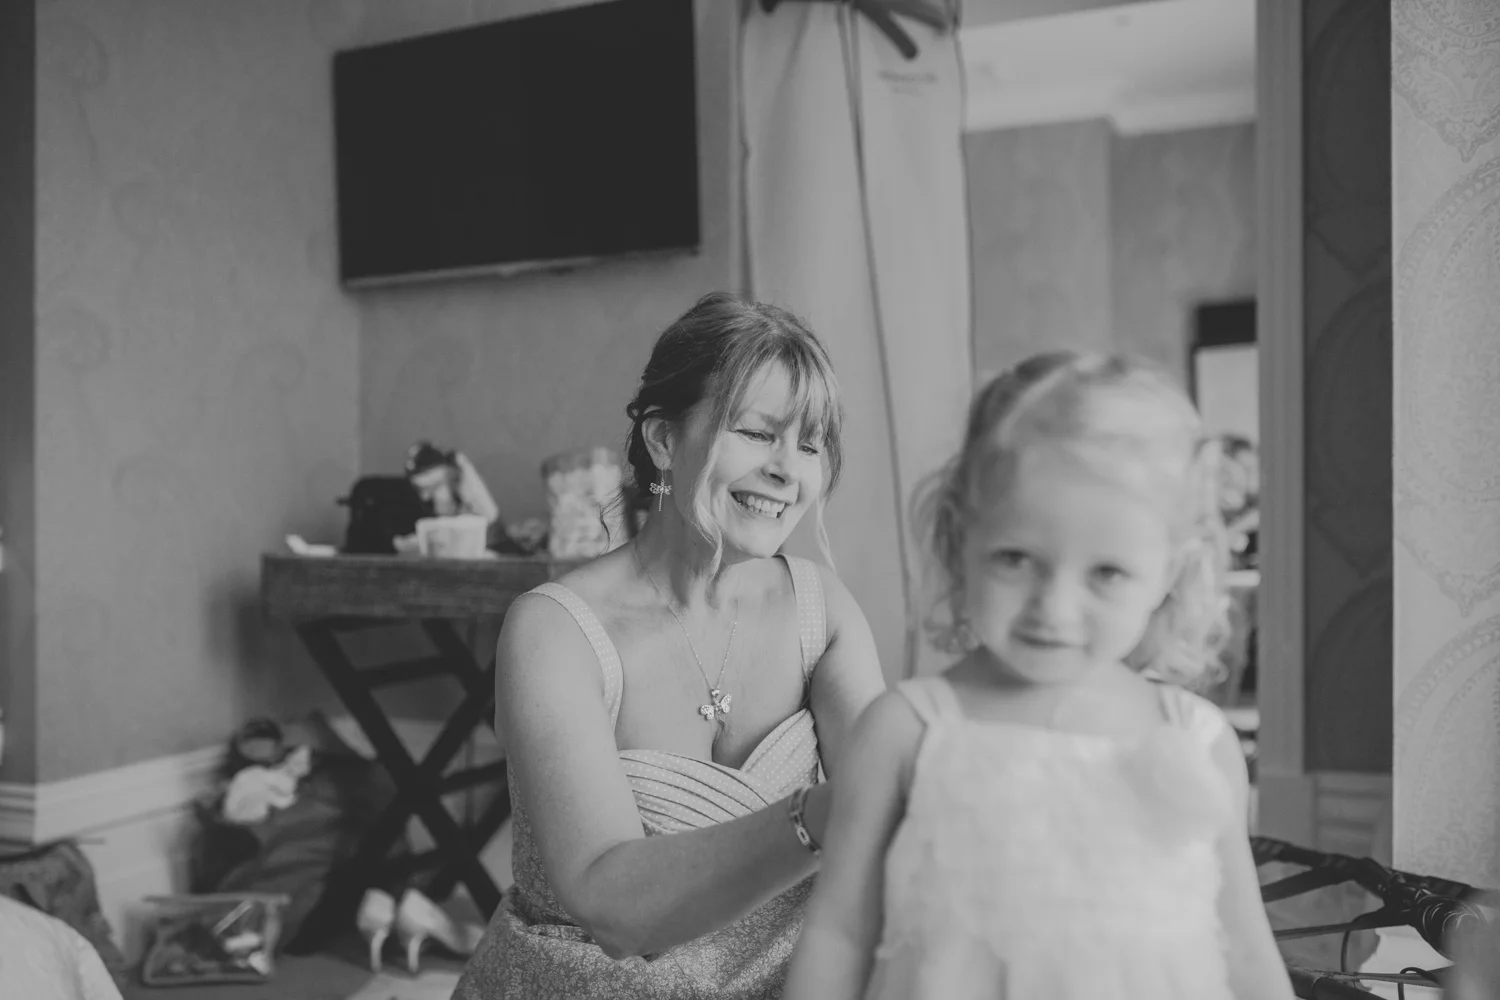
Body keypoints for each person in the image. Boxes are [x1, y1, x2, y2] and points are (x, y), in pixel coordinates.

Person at [784, 352, 1293, 1000]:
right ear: (959, 540)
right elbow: (841, 934)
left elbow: (1244, 948)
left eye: (1106, 573)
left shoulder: (1199, 740)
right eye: (1016, 559)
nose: (1054, 608)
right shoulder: (907, 732)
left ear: (1169, 571)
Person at [452, 293, 887, 999]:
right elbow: (610, 905)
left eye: (809, 445)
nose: (788, 470)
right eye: (757, 433)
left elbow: (890, 815)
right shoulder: (553, 632)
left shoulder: (824, 609)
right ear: (662, 440)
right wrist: (819, 817)